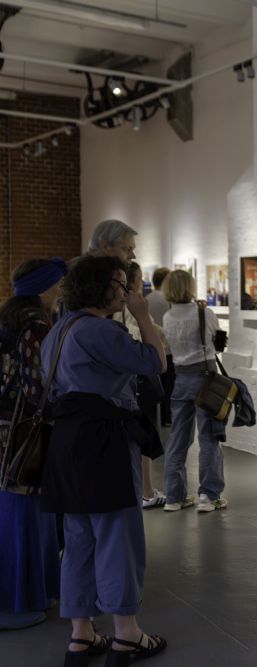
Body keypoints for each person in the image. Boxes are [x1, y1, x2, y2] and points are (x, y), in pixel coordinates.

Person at [40, 256, 168, 665]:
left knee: (78, 541)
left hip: (66, 444)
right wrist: (143, 315)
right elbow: (156, 364)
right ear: (102, 287)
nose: (125, 291)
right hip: (104, 443)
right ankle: (127, 635)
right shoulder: (100, 330)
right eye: (119, 283)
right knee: (117, 537)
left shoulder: (57, 331)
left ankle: (81, 636)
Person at [0, 259, 66, 631]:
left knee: (10, 513)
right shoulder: (36, 325)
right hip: (24, 436)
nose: (59, 293)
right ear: (43, 289)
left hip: (5, 431)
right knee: (27, 515)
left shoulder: (8, 317)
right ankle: (20, 602)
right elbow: (36, 386)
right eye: (57, 287)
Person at [161, 270, 228, 513]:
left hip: (181, 378)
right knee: (209, 437)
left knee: (178, 439)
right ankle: (208, 497)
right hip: (205, 379)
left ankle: (173, 497)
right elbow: (217, 342)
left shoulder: (168, 317)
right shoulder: (205, 313)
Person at [119, 263, 172, 510]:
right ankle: (147, 492)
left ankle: (145, 490)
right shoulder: (131, 306)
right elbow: (141, 335)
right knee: (143, 435)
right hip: (137, 380)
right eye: (140, 278)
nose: (143, 282)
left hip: (130, 381)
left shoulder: (129, 305)